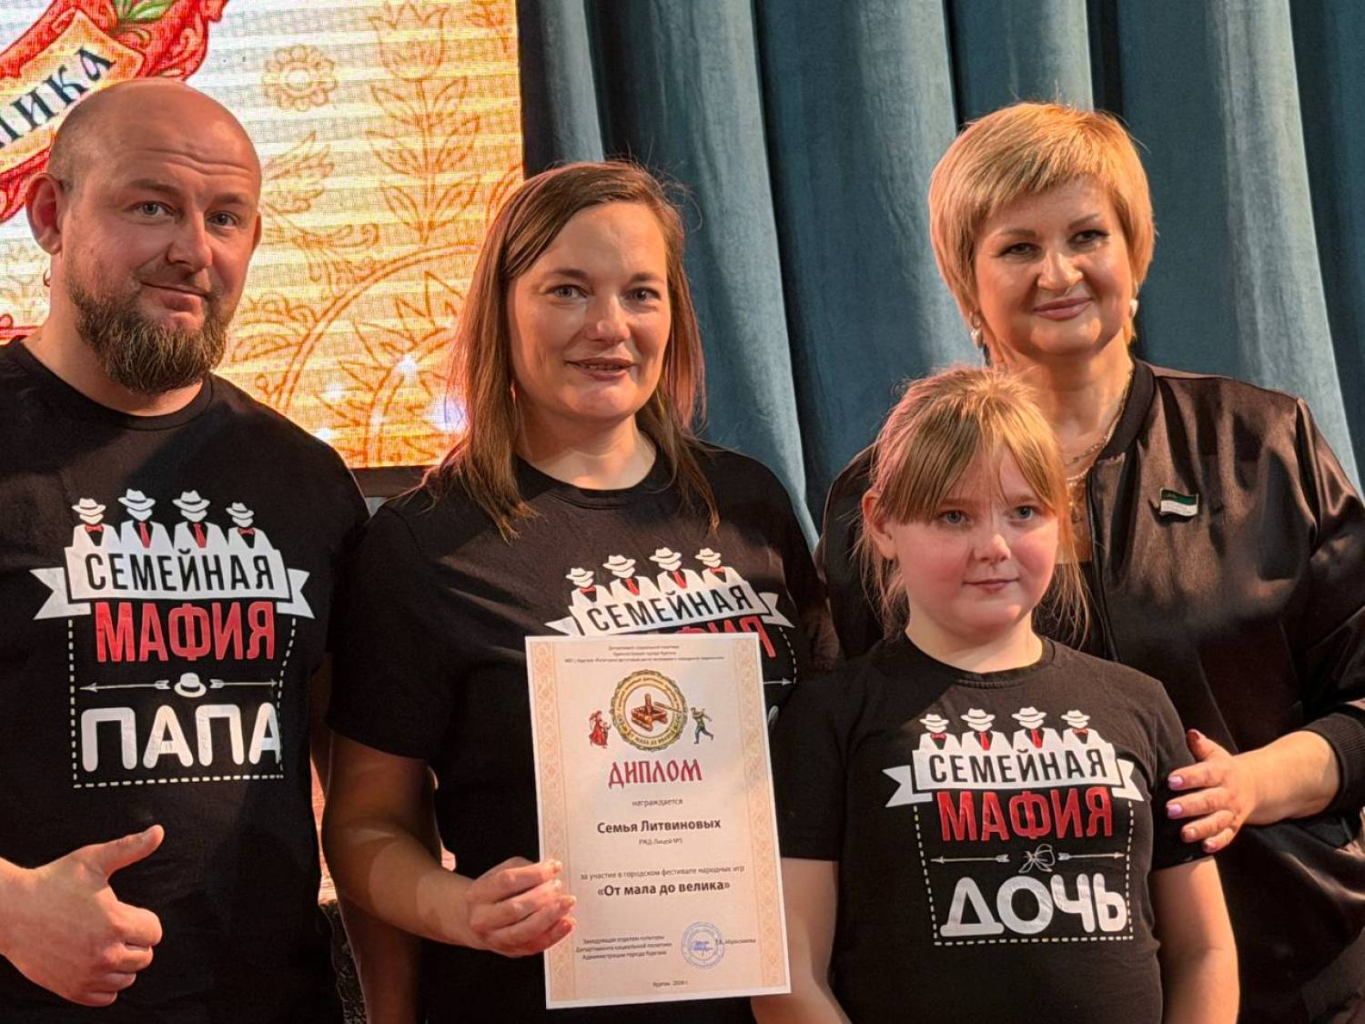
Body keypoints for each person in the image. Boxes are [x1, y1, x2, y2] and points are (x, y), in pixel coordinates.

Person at [819, 101, 1365, 1022]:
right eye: (1017, 247)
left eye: (1086, 236)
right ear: (963, 280)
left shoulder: (1263, 446)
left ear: (1134, 252)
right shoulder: (880, 493)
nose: (1058, 272)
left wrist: (1249, 784)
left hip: (1286, 970)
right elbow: (847, 750)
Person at [323, 160, 833, 1023]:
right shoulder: (425, 543)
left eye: (640, 293)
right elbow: (366, 823)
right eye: (566, 290)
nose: (608, 326)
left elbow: (826, 754)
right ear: (502, 308)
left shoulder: (747, 502)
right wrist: (463, 908)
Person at [0, 80, 367, 1021]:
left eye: (226, 217)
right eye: (151, 206)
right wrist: (7, 907)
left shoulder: (305, 478)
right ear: (50, 215)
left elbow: (366, 795)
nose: (193, 250)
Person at [759, 366, 1237, 1023]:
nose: (993, 546)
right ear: (882, 525)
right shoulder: (829, 719)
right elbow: (788, 978)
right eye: (952, 516)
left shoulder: (1139, 704)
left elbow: (1205, 950)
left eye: (1023, 512)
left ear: (1062, 518)